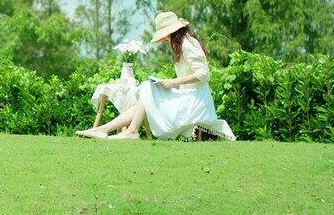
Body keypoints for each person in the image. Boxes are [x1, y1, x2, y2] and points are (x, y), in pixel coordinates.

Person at [76, 11, 235, 141]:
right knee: (146, 93)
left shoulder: (188, 44)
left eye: (165, 35)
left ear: (173, 31)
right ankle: (103, 130)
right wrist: (169, 84)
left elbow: (203, 74)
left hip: (195, 101)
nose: (165, 39)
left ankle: (128, 131)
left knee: (147, 88)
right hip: (187, 96)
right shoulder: (181, 45)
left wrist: (173, 82)